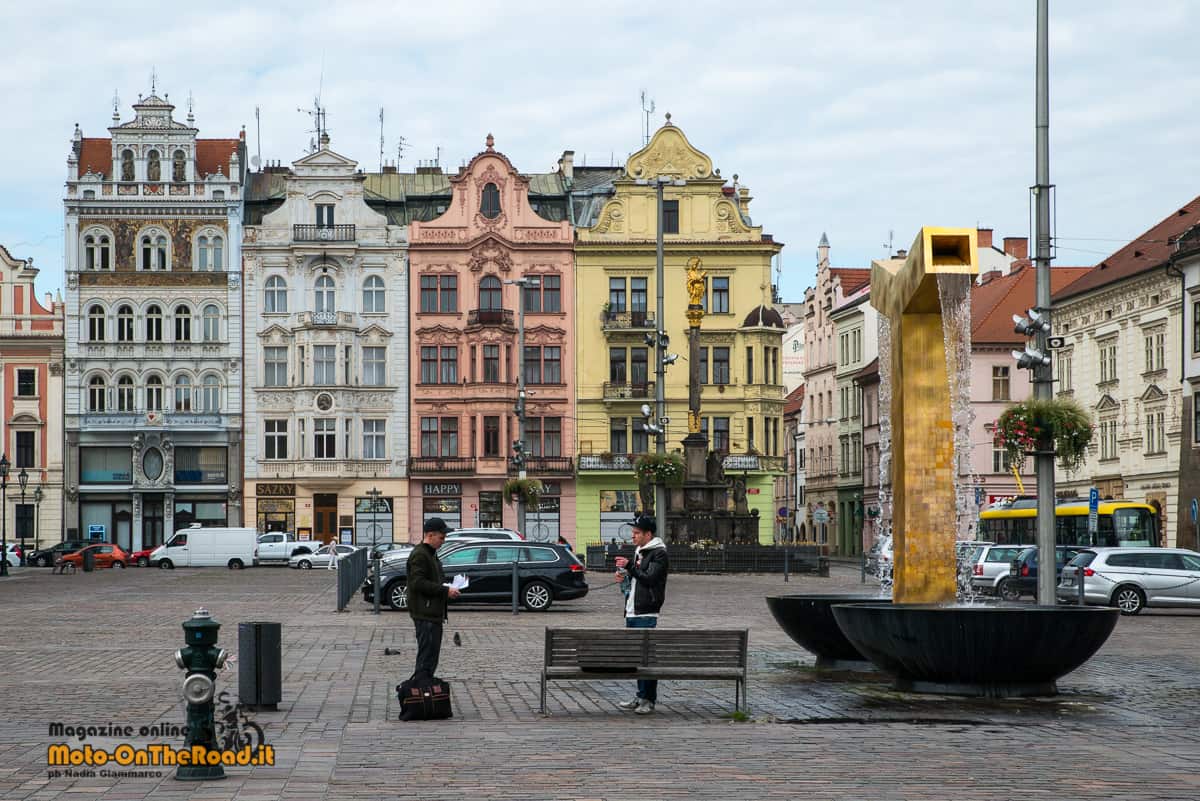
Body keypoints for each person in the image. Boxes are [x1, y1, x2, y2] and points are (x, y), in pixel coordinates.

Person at [613, 515, 669, 715]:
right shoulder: (640, 551)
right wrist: (624, 576)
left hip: (646, 610)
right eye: (633, 532)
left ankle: (648, 699)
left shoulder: (658, 553)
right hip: (632, 609)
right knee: (638, 656)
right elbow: (637, 578)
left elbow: (650, 578)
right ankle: (640, 694)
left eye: (637, 533)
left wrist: (630, 567)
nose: (633, 536)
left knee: (647, 657)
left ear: (648, 534)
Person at [407, 518, 461, 683]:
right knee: (426, 656)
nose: (443, 541)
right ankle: (421, 691)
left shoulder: (431, 554)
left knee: (431, 657)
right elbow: (417, 583)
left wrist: (447, 587)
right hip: (425, 613)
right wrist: (445, 590)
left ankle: (426, 688)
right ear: (430, 535)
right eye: (441, 538)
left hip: (433, 613)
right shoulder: (420, 554)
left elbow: (434, 580)